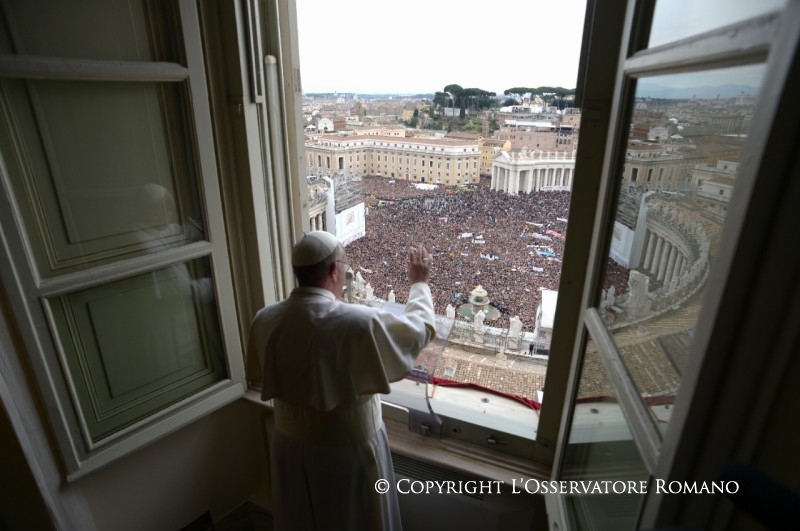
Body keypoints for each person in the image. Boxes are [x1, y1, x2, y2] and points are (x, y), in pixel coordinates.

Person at [247, 230, 436, 531]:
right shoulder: (359, 321)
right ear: (335, 270)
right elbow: (418, 330)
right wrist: (419, 284)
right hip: (348, 454)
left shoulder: (265, 319)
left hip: (288, 448)